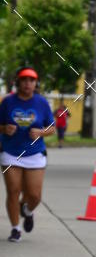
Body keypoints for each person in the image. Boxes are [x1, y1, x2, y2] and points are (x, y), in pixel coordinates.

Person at [0, 67, 55, 242]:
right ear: (18, 82)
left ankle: (27, 210)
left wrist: (40, 132)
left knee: (34, 195)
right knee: (13, 191)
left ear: (35, 83)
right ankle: (15, 229)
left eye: (31, 80)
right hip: (10, 152)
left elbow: (52, 128)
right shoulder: (8, 102)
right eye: (24, 80)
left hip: (34, 153)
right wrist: (4, 128)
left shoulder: (42, 103)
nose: (27, 84)